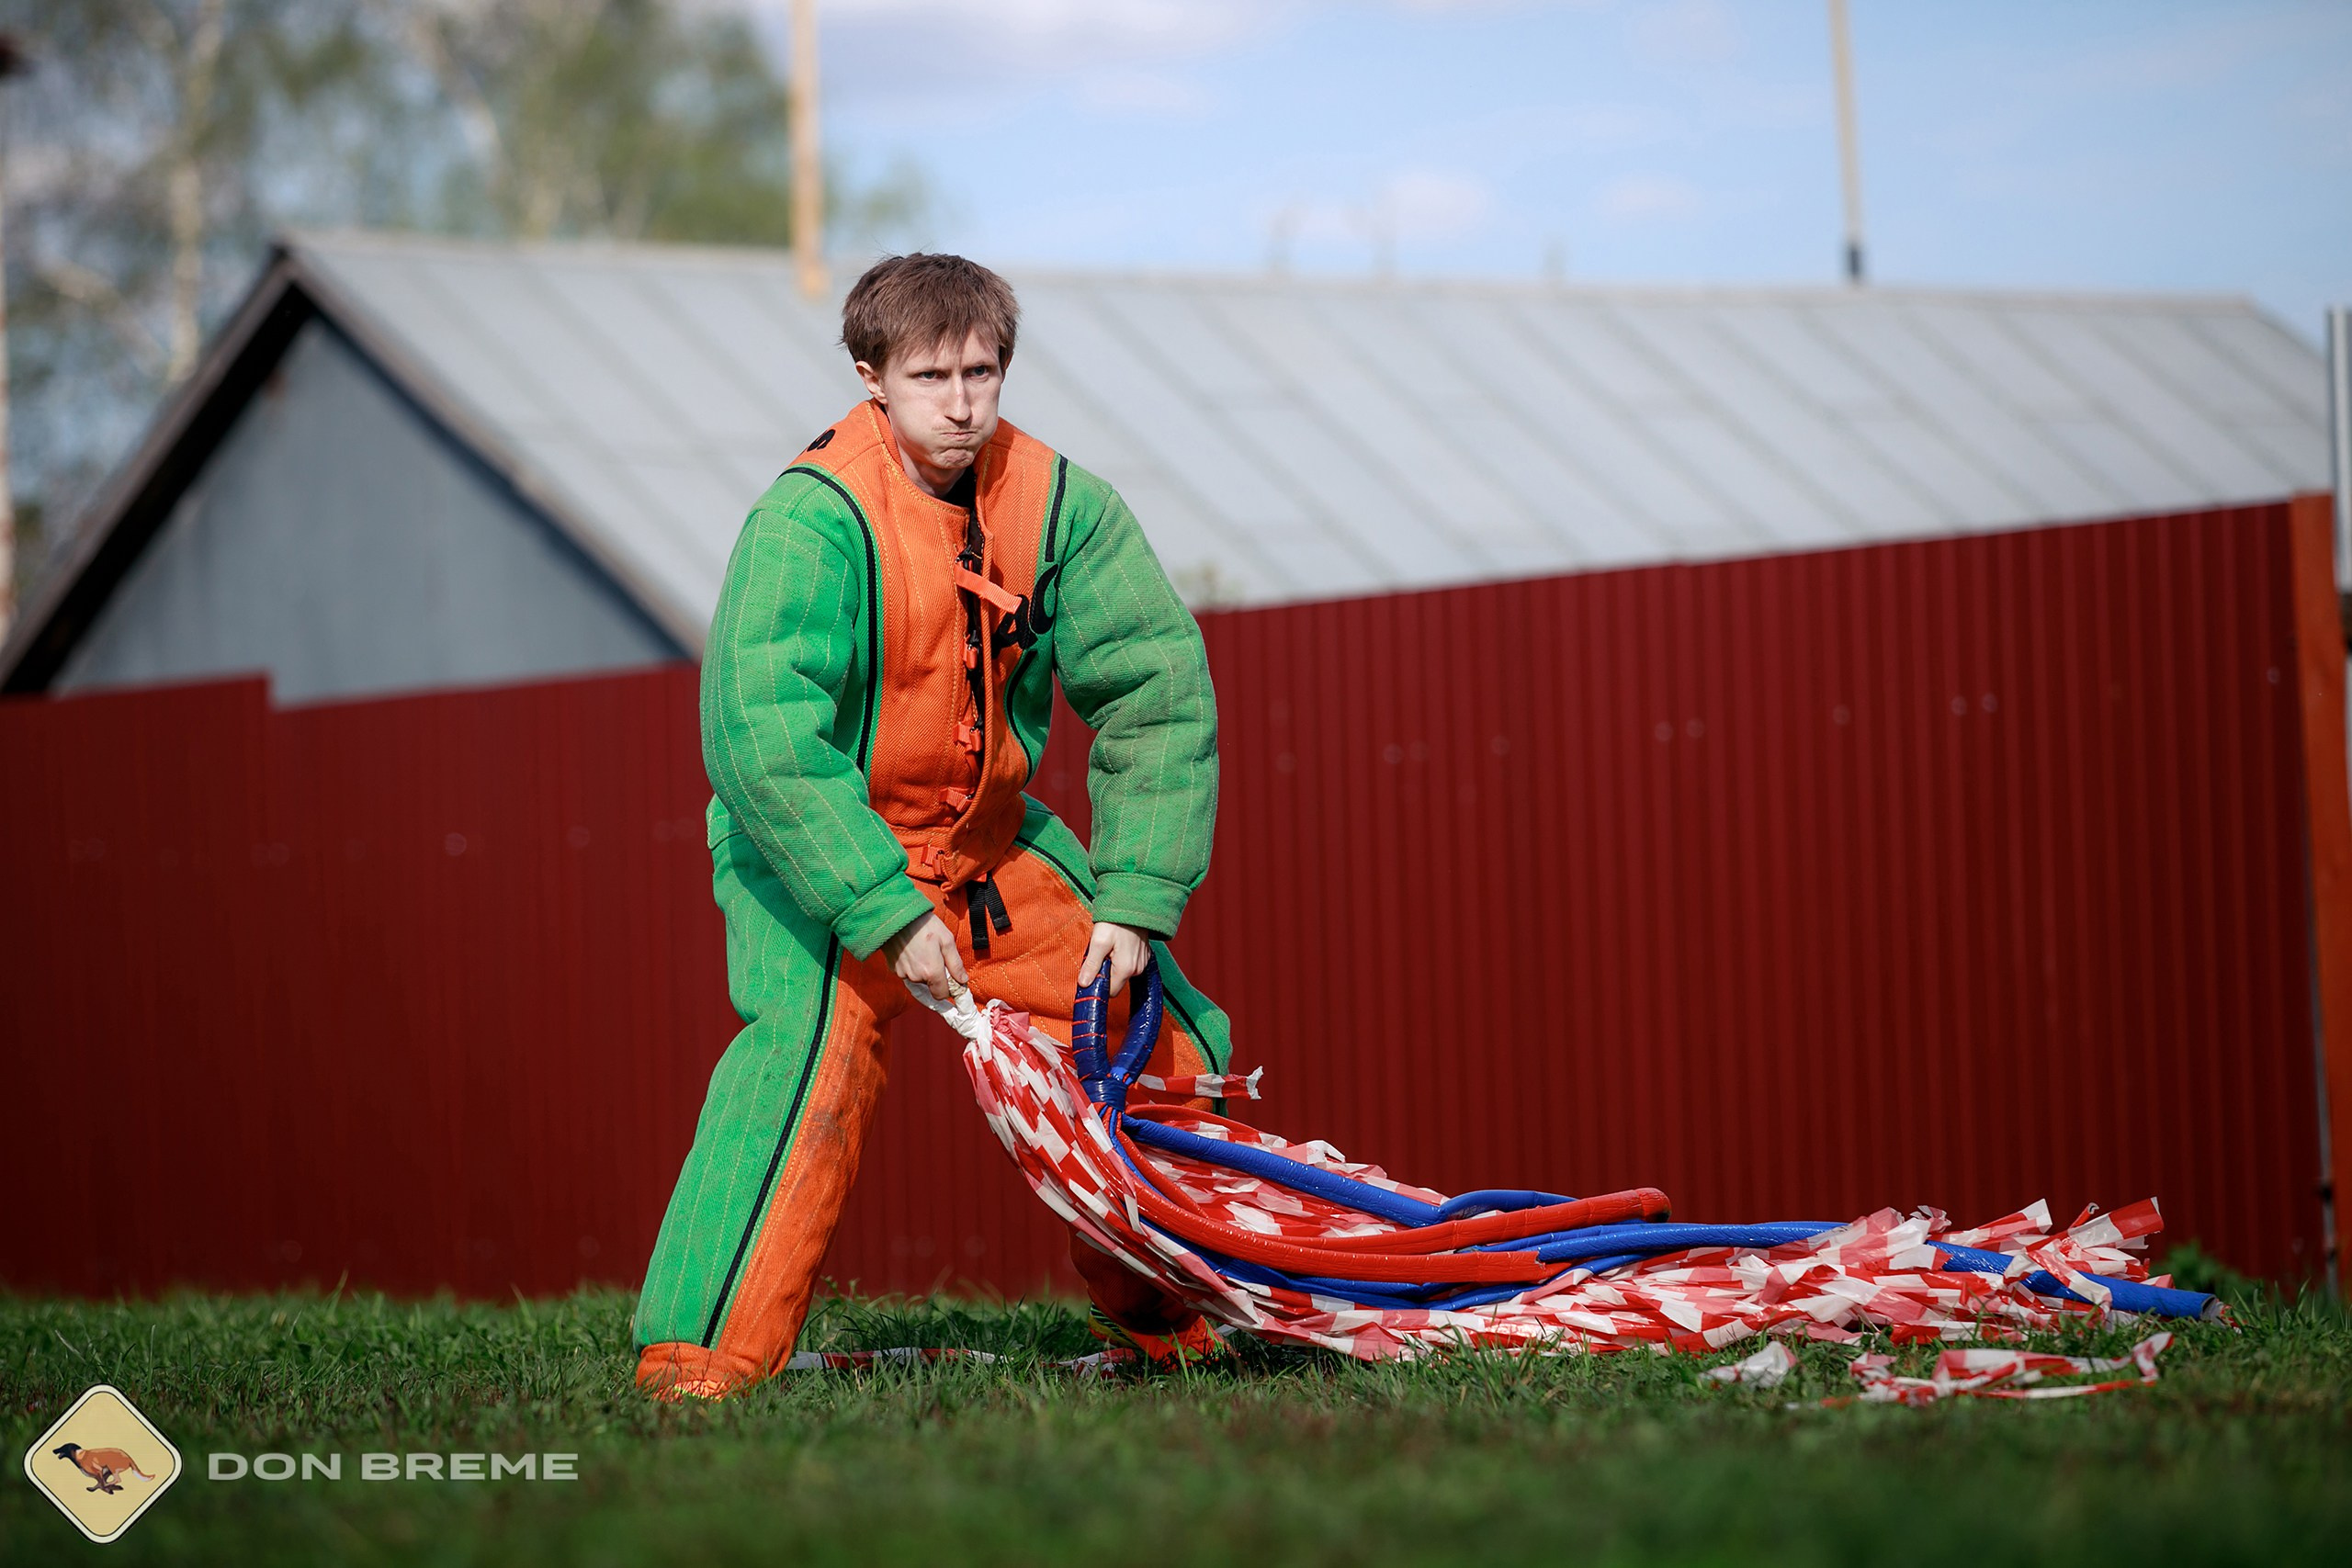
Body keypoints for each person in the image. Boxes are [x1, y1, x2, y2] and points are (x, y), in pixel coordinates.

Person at [633, 253, 1235, 1398]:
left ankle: (1172, 1328)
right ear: (871, 378)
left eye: (982, 371)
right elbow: (761, 737)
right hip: (813, 854)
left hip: (986, 847)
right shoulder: (809, 521)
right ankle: (695, 1362)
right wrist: (878, 907)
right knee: (809, 1068)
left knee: (1144, 1044)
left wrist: (1135, 900)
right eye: (929, 376)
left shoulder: (1065, 506)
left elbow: (1157, 692)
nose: (961, 402)